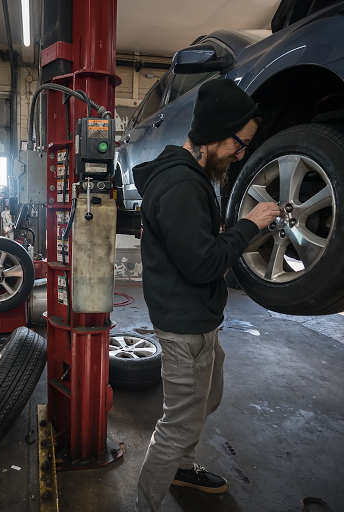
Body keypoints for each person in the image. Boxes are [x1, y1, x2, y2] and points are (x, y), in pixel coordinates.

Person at [132, 79, 281, 511]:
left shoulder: (193, 178)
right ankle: (146, 504)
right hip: (184, 329)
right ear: (217, 133)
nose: (241, 152)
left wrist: (230, 234)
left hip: (200, 321)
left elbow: (198, 246)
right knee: (178, 424)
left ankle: (182, 468)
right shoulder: (181, 185)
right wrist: (250, 224)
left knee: (207, 400)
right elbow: (202, 263)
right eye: (240, 143)